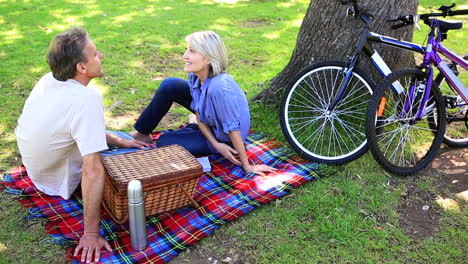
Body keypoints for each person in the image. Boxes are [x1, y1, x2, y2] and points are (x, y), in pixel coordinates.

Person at [15, 27, 150, 263]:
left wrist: (118, 141)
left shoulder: (48, 80)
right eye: (96, 54)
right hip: (59, 180)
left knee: (121, 138)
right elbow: (91, 169)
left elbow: (70, 127)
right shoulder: (87, 99)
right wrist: (90, 234)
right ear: (82, 68)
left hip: (40, 173)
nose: (102, 57)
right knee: (142, 159)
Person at [130, 30, 276, 175]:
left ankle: (196, 131)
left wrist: (246, 165)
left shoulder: (219, 88)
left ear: (209, 58)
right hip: (212, 125)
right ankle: (142, 133)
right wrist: (213, 141)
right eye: (186, 49)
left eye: (192, 51)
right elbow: (199, 113)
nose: (184, 56)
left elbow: (233, 130)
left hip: (225, 138)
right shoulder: (195, 77)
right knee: (170, 85)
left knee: (164, 141)